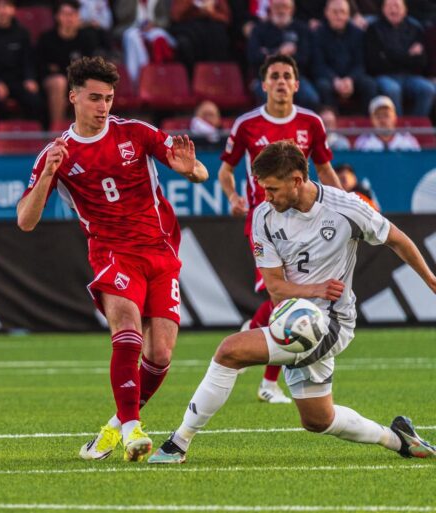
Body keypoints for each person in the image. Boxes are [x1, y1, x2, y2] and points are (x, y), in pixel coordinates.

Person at [148, 140, 436, 464]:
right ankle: (398, 439)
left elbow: (397, 238)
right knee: (317, 419)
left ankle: (178, 443)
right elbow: (274, 288)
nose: (266, 196)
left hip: (331, 322)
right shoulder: (264, 217)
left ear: (297, 180)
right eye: (263, 189)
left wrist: (430, 279)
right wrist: (314, 289)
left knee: (229, 351)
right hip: (294, 313)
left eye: (272, 188)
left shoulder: (346, 207)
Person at [16, 56, 208, 461]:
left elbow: (198, 171)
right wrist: (48, 176)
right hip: (112, 253)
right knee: (126, 329)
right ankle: (134, 428)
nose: (103, 107)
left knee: (161, 355)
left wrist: (192, 172)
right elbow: (25, 221)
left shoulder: (136, 132)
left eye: (108, 98)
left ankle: (114, 426)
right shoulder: (57, 154)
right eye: (94, 98)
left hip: (160, 250)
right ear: (73, 97)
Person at [218, 54, 341, 405]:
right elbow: (225, 171)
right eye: (275, 75)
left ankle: (257, 349)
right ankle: (269, 383)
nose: (282, 81)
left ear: (297, 84)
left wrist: (342, 205)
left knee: (285, 296)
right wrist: (232, 197)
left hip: (304, 221)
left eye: (288, 75)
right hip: (264, 222)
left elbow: (325, 170)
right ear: (265, 84)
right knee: (280, 295)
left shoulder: (311, 122)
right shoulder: (246, 124)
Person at [365, 0, 436, 117]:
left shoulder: (415, 28)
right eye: (390, 6)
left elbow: (421, 62)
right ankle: (398, 129)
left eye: (397, 6)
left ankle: (415, 128)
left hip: (410, 76)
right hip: (384, 75)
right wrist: (407, 56)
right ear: (383, 9)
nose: (394, 10)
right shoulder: (373, 29)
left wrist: (389, 55)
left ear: (405, 9)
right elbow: (374, 63)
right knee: (393, 89)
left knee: (428, 89)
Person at [0, 0, 43, 128]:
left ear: (13, 10)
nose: (3, 11)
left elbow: (28, 60)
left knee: (35, 100)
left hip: (19, 81)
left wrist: (29, 79)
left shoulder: (22, 33)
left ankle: (37, 139)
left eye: (6, 6)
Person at [36, 0, 102, 125]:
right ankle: (57, 129)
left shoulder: (87, 38)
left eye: (73, 14)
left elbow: (91, 66)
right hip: (52, 83)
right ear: (57, 16)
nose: (69, 18)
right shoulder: (47, 39)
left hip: (78, 81)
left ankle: (90, 132)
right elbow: (42, 68)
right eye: (65, 14)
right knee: (59, 82)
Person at [247, 0, 320, 111]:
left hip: (295, 78)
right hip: (266, 79)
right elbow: (253, 56)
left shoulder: (302, 29)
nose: (281, 10)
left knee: (312, 99)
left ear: (292, 9)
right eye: (277, 6)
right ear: (270, 9)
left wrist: (269, 55)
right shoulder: (259, 29)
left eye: (285, 6)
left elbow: (304, 58)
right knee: (274, 100)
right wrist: (280, 52)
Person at [312, 0, 377, 114]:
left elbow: (360, 64)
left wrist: (350, 79)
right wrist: (335, 80)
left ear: (348, 14)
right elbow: (318, 65)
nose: (339, 16)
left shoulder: (358, 34)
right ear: (327, 13)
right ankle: (330, 127)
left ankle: (366, 127)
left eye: (342, 12)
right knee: (323, 86)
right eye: (335, 12)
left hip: (351, 77)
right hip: (329, 78)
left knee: (369, 84)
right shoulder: (318, 34)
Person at [354, 94, 421, 152]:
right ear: (372, 119)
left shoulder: (408, 141)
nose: (382, 120)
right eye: (378, 116)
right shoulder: (362, 143)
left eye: (386, 115)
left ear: (395, 117)